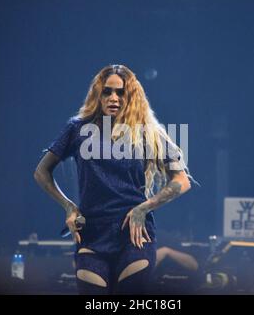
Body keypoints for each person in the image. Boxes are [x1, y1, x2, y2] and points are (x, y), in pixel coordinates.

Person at [34, 64, 192, 294]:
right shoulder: (77, 128)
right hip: (92, 233)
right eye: (107, 91)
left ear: (131, 97)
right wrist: (68, 207)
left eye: (121, 92)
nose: (113, 98)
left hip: (134, 233)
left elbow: (182, 179)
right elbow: (41, 171)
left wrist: (144, 208)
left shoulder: (148, 131)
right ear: (98, 94)